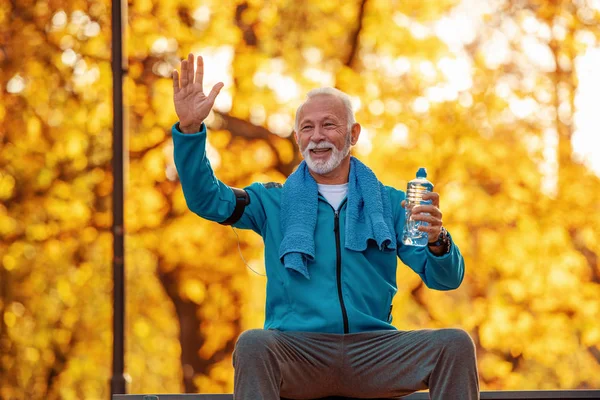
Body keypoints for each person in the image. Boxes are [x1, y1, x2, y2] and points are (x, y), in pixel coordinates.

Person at [171, 53, 479, 400]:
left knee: (454, 344)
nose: (317, 136)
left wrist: (438, 241)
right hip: (299, 352)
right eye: (307, 127)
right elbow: (205, 198)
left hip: (374, 351)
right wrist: (189, 130)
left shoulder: (392, 204)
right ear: (298, 138)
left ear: (353, 133)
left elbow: (445, 279)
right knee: (254, 344)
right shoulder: (272, 201)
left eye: (329, 125)